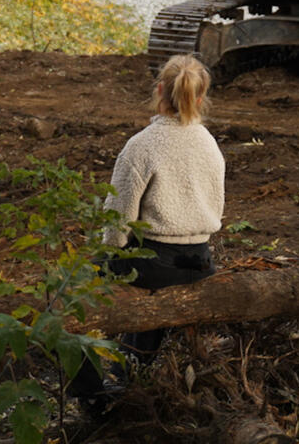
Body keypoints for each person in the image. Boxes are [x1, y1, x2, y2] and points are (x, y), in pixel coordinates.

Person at [76, 54, 225, 411]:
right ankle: (129, 371)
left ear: (159, 90)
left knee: (68, 298)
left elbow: (117, 226)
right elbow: (215, 208)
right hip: (201, 262)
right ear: (199, 98)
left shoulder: (142, 146)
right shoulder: (209, 143)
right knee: (150, 279)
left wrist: (105, 256)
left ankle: (94, 397)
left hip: (153, 261)